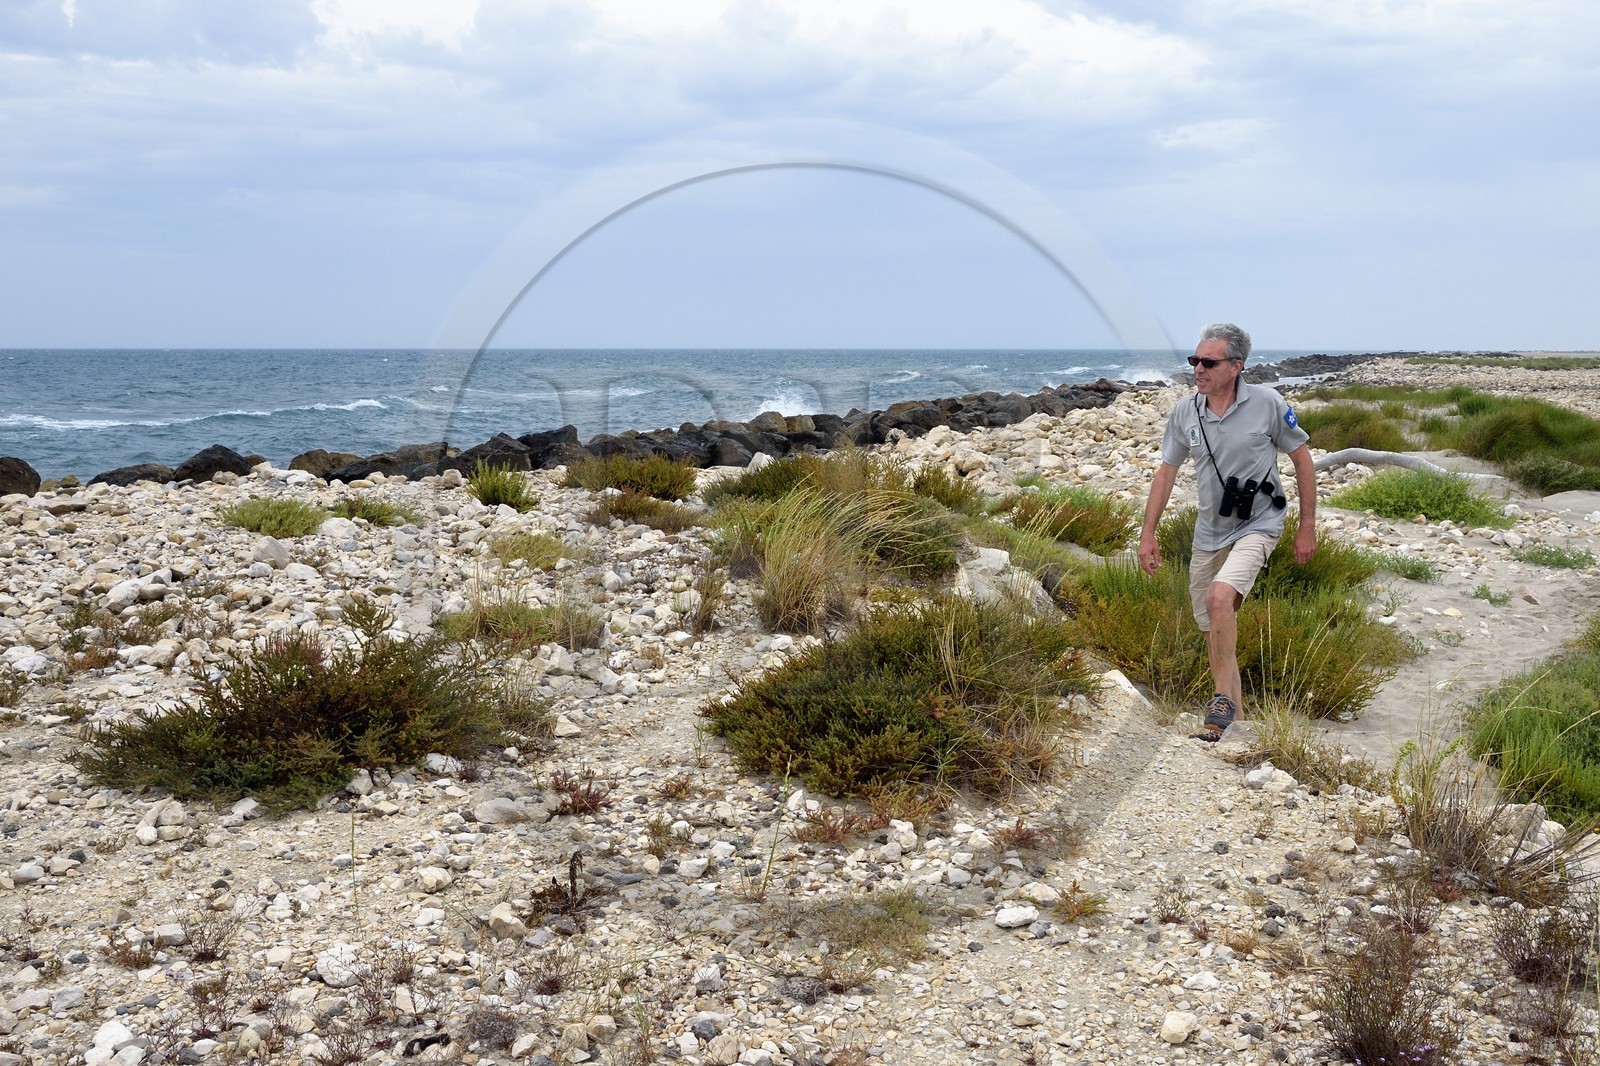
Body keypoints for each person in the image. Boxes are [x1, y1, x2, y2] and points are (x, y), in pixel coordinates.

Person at [1136, 323, 1317, 741]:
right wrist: (1148, 534)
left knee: (1220, 597)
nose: (1198, 368)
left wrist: (1306, 527)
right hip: (1209, 532)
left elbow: (1302, 462)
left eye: (1208, 362)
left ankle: (1218, 703)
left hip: (1260, 524)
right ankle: (1233, 726)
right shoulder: (1185, 411)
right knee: (1215, 630)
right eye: (1194, 360)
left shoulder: (1268, 403)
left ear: (1236, 366)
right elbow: (1166, 473)